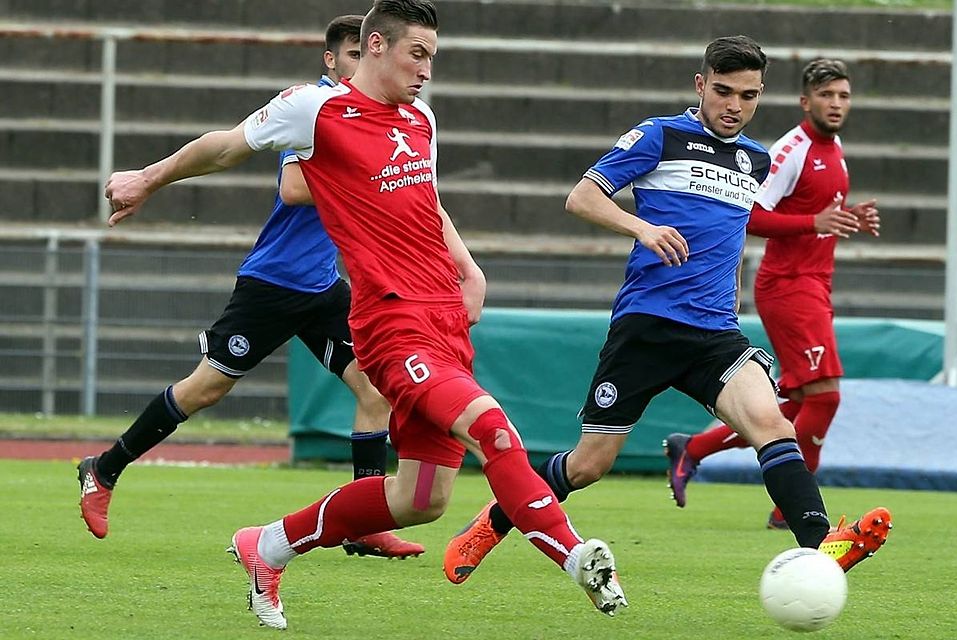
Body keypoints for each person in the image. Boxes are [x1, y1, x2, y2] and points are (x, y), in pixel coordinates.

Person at [102, 0, 627, 630]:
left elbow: (427, 204)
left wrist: (469, 268)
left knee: (419, 500)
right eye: (417, 53)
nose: (427, 68)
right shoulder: (313, 109)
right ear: (375, 45)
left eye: (433, 55)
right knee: (491, 429)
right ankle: (575, 555)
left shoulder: (421, 119)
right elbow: (223, 148)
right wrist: (148, 178)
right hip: (389, 323)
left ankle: (267, 545)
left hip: (444, 321)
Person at [443, 37, 891, 586]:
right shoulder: (660, 136)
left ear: (760, 97)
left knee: (772, 424)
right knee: (589, 466)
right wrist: (642, 227)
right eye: (723, 91)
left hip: (715, 334)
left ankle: (822, 547)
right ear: (700, 85)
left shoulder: (754, 159)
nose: (734, 105)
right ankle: (489, 524)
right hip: (648, 327)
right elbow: (581, 197)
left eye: (747, 96)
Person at [77, 14, 424, 560]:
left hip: (322, 285)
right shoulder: (319, 107)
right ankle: (103, 468)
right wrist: (365, 176)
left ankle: (361, 521)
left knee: (374, 391)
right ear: (333, 60)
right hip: (273, 282)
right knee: (205, 391)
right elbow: (290, 187)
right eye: (352, 54)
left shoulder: (397, 118)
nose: (364, 63)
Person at [663, 59, 882, 530]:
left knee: (801, 404)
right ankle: (792, 509)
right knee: (825, 399)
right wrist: (813, 223)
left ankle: (694, 447)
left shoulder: (834, 147)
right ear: (806, 101)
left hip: (816, 284)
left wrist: (850, 217)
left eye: (843, 96)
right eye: (827, 96)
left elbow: (818, 212)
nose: (836, 104)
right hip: (788, 287)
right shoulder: (791, 149)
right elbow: (752, 215)